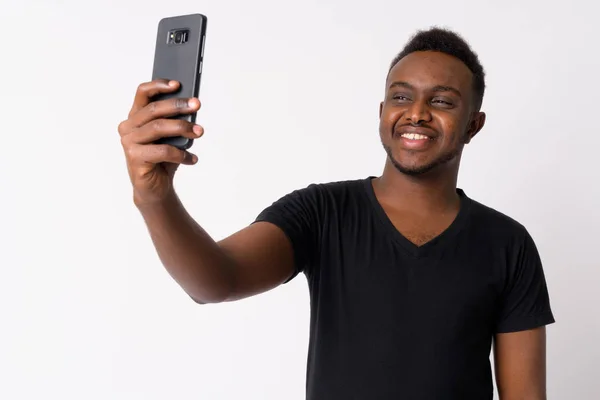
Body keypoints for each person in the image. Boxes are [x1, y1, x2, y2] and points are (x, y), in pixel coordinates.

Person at [118, 27, 555, 399]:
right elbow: (216, 281)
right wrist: (155, 198)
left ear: (473, 125)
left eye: (442, 101)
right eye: (402, 96)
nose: (416, 113)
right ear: (383, 113)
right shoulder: (322, 212)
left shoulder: (507, 244)